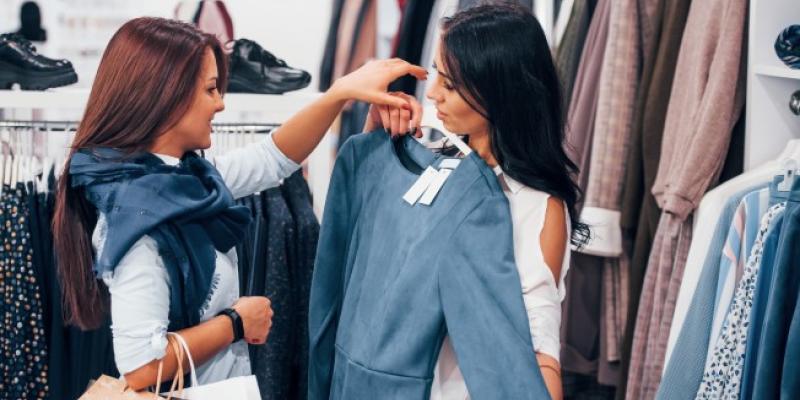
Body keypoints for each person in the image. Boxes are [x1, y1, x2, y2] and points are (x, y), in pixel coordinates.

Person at [53, 17, 424, 391]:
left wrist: (339, 94)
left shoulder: (182, 183)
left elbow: (272, 159)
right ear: (167, 96)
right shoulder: (140, 222)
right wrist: (235, 322)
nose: (220, 104)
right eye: (211, 90)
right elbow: (141, 367)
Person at [363, 4, 589, 399]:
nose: (432, 94)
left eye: (449, 85)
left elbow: (537, 345)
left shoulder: (536, 207)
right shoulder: (437, 167)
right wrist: (375, 135)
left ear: (499, 92)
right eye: (435, 74)